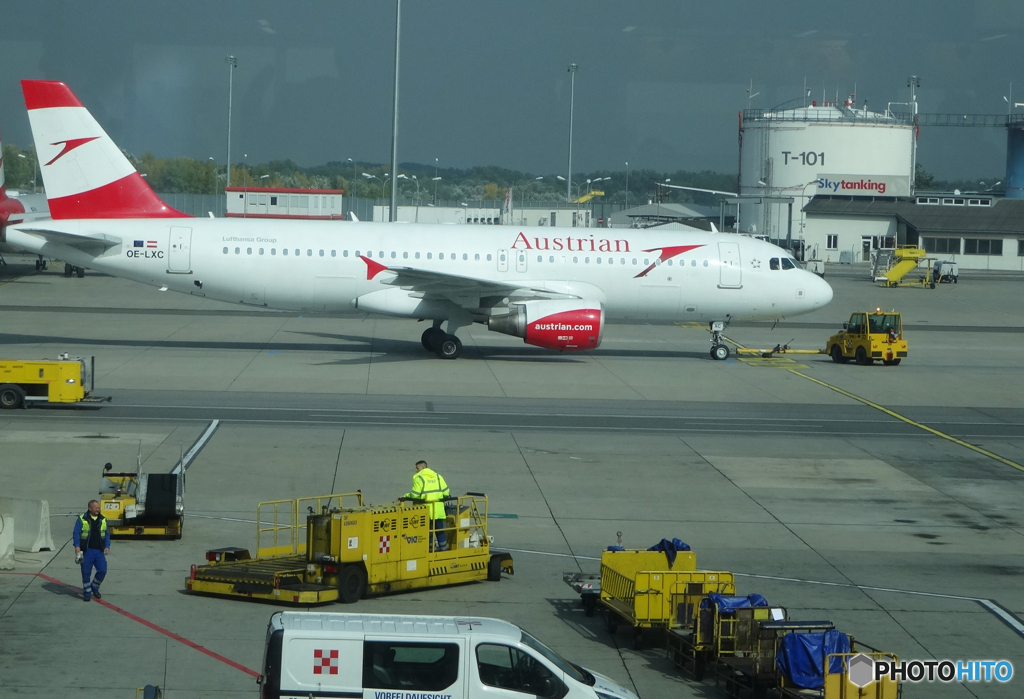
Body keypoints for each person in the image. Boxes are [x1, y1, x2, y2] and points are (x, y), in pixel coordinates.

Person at [405, 460, 450, 551]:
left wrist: (405, 496)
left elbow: (415, 495)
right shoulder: (438, 476)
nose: (416, 470)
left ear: (423, 468)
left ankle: (429, 550)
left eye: (417, 468)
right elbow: (446, 492)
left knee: (427, 532)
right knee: (439, 531)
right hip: (438, 510)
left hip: (425, 511)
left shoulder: (419, 478)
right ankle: (444, 550)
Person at [73, 499, 110, 601]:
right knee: (86, 573)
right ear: (90, 508)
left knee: (102, 570)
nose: (98, 509)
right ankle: (87, 593)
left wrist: (107, 546)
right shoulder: (82, 519)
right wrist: (77, 546)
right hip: (87, 551)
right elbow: (76, 533)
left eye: (98, 507)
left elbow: (106, 534)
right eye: (96, 507)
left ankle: (95, 586)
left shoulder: (103, 519)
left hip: (99, 551)